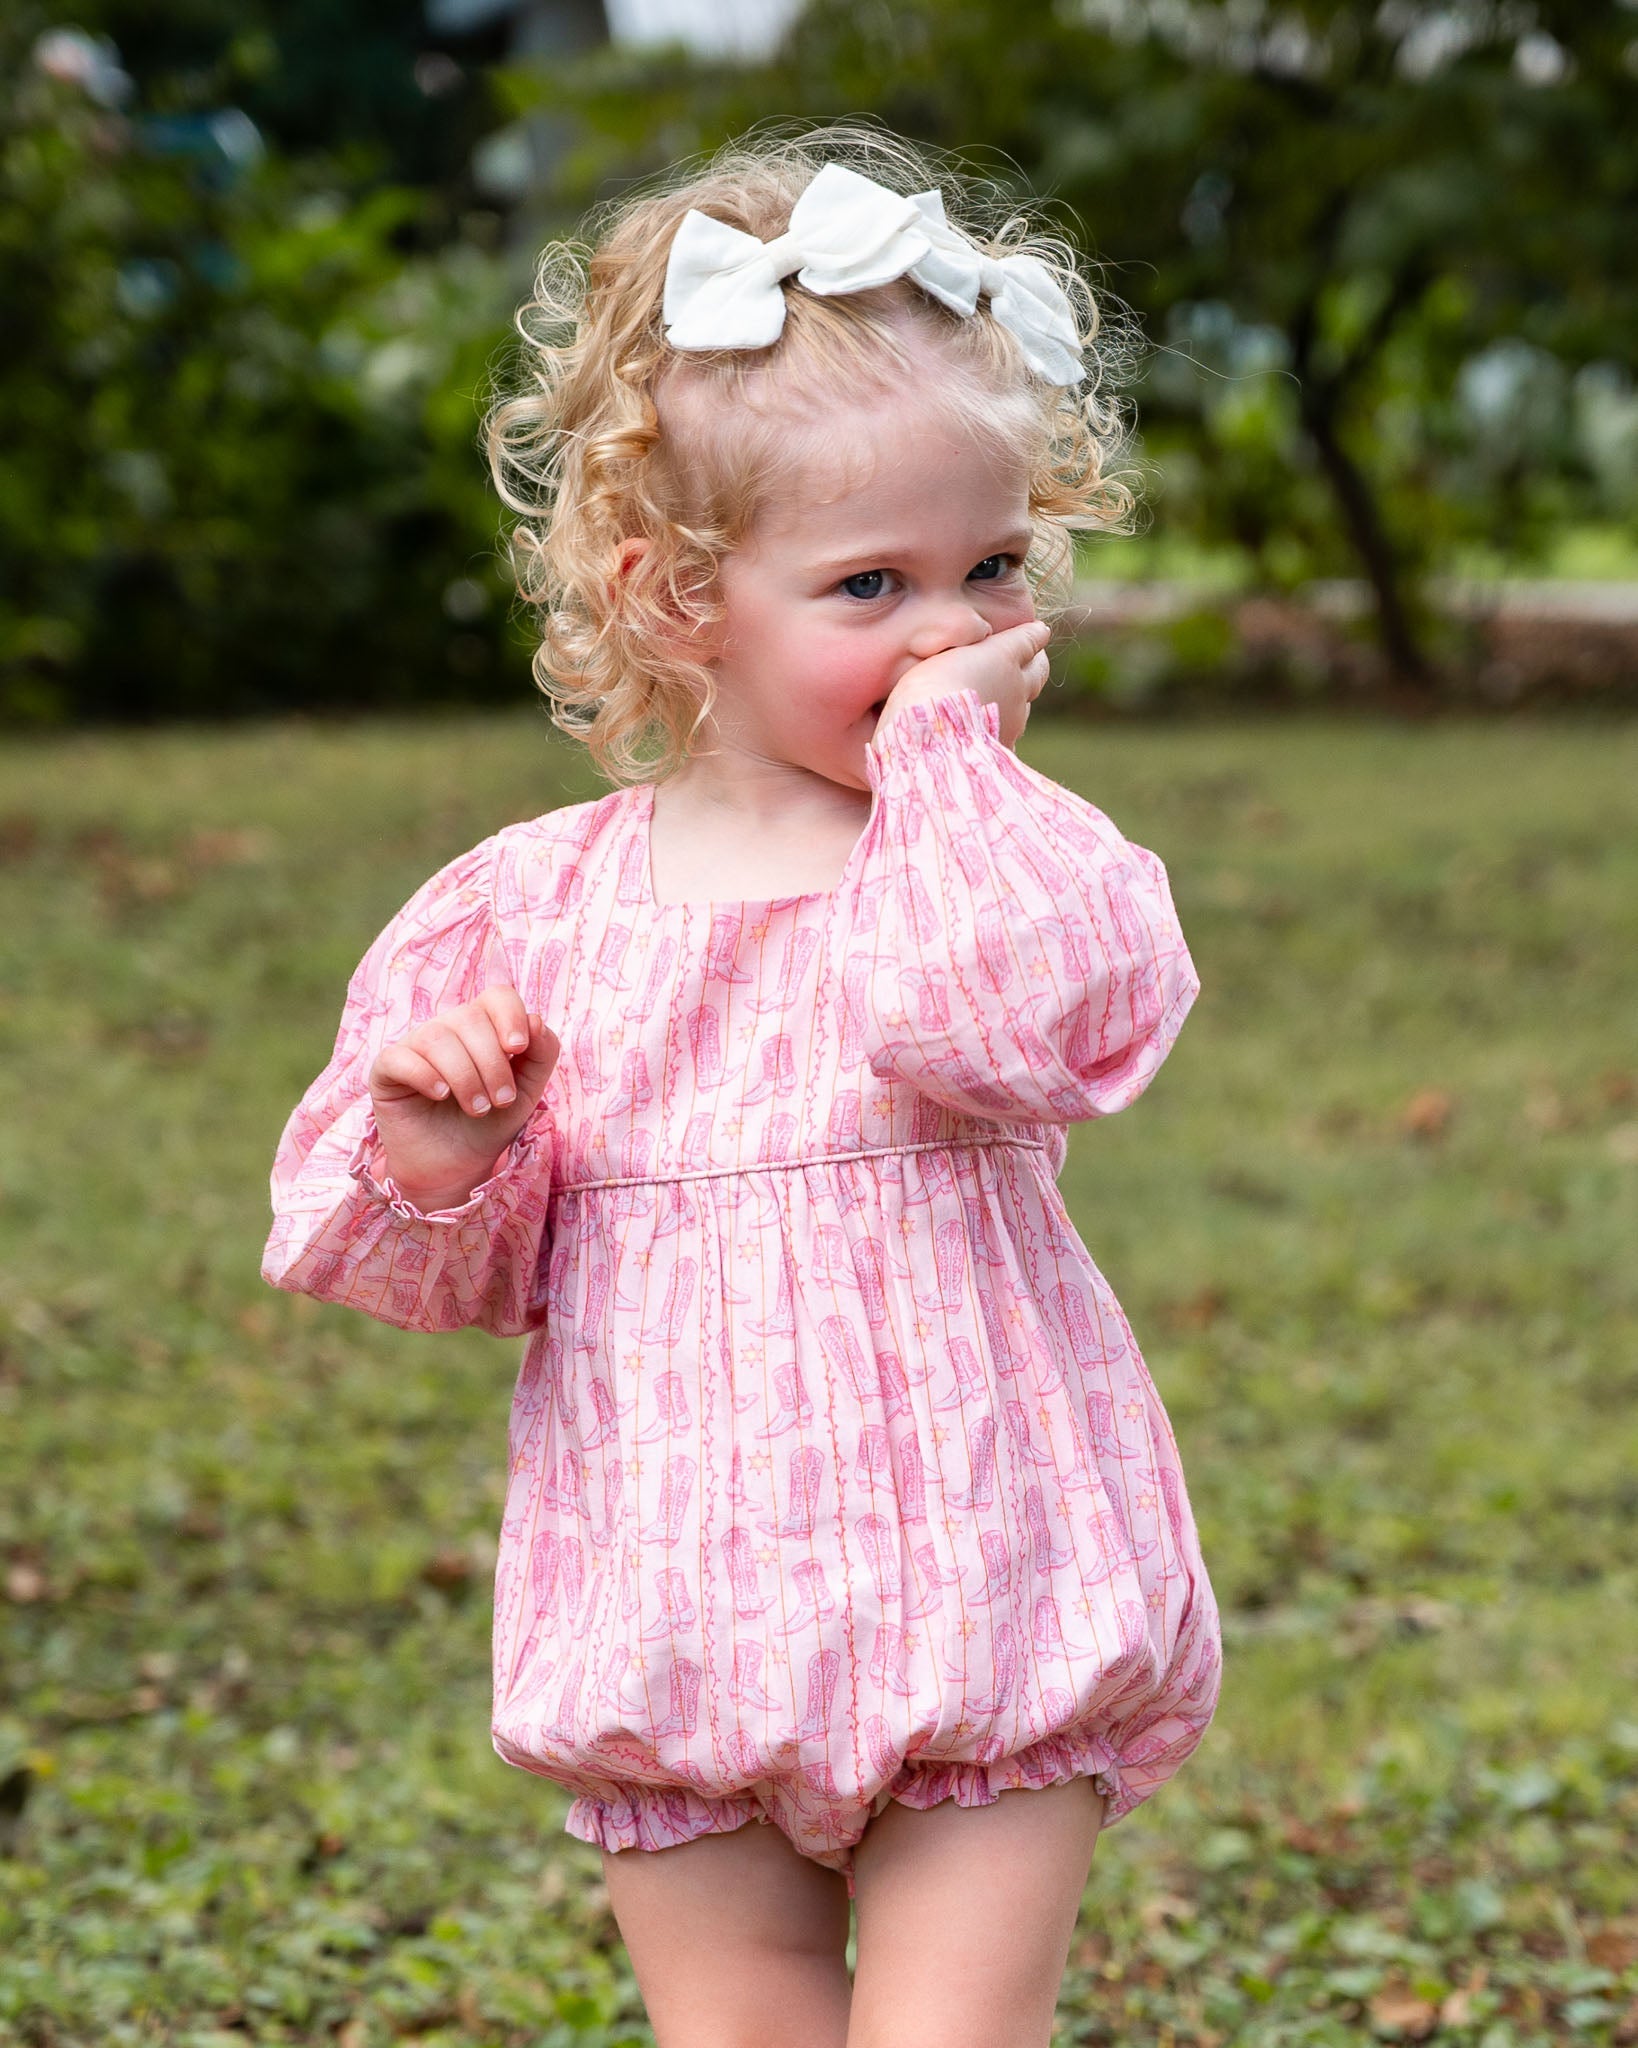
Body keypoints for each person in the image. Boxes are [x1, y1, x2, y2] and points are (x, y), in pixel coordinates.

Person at [263, 121, 1221, 2048]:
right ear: (679, 595)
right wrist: (437, 1145)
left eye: (989, 569)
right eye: (868, 585)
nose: (949, 631)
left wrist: (953, 769)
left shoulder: (998, 856)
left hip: (983, 1591)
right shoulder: (526, 909)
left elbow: (1015, 1027)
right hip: (677, 1615)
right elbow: (407, 1266)